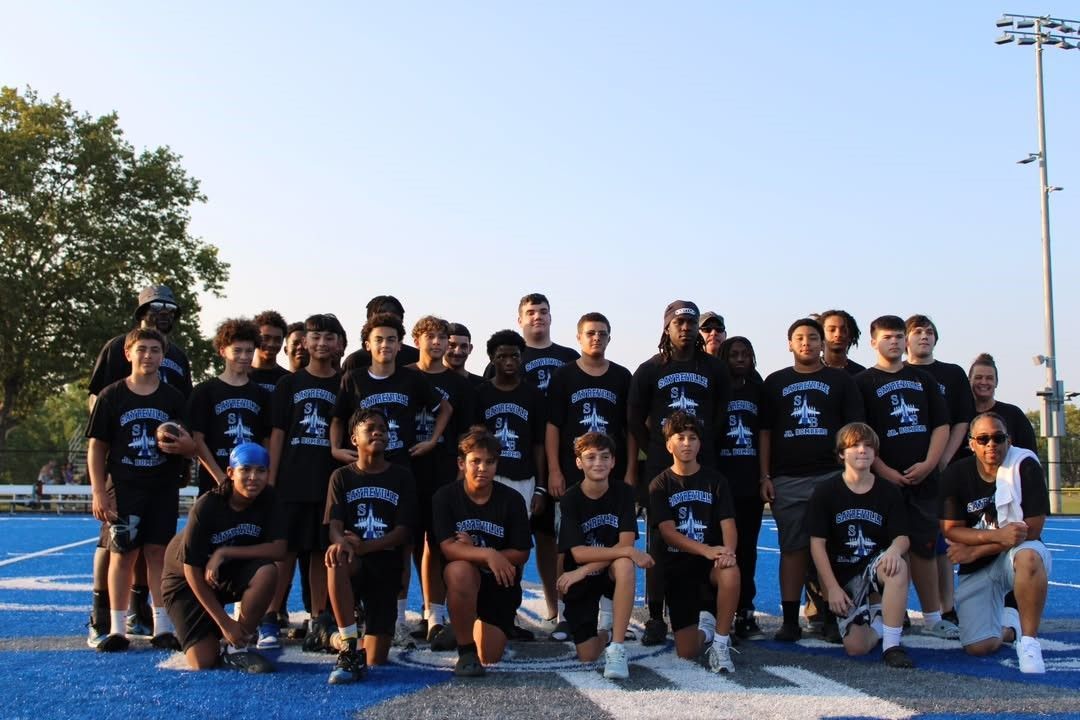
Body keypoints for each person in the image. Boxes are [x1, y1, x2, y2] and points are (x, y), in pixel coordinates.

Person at [331, 312, 450, 646]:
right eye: (379, 339)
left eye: (392, 339)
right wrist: (336, 448)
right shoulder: (353, 378)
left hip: (400, 470)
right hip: (362, 472)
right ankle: (354, 619)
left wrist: (431, 439)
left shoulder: (410, 379)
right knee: (359, 540)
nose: (385, 345)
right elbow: (339, 418)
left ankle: (396, 619)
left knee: (401, 545)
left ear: (401, 345)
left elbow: (445, 408)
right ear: (367, 344)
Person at [86, 285, 193, 642]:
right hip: (125, 472)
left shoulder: (176, 359)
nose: (163, 311)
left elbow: (185, 420)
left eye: (170, 306)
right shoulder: (117, 359)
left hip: (161, 477)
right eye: (155, 305)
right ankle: (106, 620)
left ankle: (153, 620)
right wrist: (100, 485)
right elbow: (97, 428)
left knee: (156, 549)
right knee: (116, 547)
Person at [629, 300, 731, 646]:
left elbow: (722, 411)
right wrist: (657, 446)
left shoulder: (713, 369)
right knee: (659, 538)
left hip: (704, 461)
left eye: (690, 322)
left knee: (705, 529)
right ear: (667, 328)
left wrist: (703, 441)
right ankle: (656, 616)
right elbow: (634, 416)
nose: (685, 328)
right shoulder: (650, 369)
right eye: (678, 323)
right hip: (662, 463)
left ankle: (705, 606)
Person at [759, 318, 864, 642]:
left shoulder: (841, 381)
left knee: (833, 548)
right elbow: (765, 432)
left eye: (813, 337)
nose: (806, 343)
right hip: (788, 477)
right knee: (793, 550)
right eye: (800, 338)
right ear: (790, 344)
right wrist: (765, 474)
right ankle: (790, 618)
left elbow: (854, 430)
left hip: (831, 476)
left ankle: (833, 616)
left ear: (822, 344)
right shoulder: (775, 382)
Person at [855, 315, 957, 639]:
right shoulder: (863, 382)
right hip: (882, 480)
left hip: (923, 478)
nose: (895, 343)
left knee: (924, 548)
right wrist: (883, 470)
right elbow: (861, 434)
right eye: (888, 337)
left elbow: (941, 424)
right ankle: (884, 612)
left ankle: (932, 615)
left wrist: (930, 463)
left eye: (899, 337)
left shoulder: (923, 379)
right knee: (881, 548)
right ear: (874, 342)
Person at [940, 412, 1052, 673]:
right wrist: (997, 536)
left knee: (1030, 557)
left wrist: (980, 547)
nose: (991, 444)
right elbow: (951, 530)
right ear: (972, 444)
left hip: (1015, 553)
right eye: (983, 438)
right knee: (978, 647)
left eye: (998, 437)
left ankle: (1029, 642)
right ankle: (1010, 627)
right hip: (980, 564)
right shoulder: (956, 474)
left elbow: (1033, 529)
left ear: (1008, 441)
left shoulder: (1024, 465)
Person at [161, 442, 285, 673]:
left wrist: (224, 552)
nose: (253, 477)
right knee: (203, 661)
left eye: (260, 471)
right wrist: (224, 622)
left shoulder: (269, 499)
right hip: (186, 582)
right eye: (245, 469)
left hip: (227, 569)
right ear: (230, 473)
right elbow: (190, 569)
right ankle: (211, 630)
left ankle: (237, 647)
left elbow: (279, 550)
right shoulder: (207, 505)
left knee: (267, 571)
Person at [264, 313, 345, 649]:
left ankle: (318, 617)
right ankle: (269, 616)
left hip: (327, 480)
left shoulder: (344, 383)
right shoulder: (289, 384)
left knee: (319, 552)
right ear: (304, 341)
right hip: (292, 478)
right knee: (284, 550)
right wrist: (271, 478)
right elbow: (278, 433)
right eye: (316, 337)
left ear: (338, 343)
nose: (322, 344)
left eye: (329, 337)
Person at [807, 422, 915, 668]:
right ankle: (878, 622)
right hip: (843, 576)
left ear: (875, 453)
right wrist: (831, 588)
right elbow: (817, 545)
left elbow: (903, 536)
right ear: (841, 453)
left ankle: (892, 646)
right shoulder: (826, 492)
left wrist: (894, 551)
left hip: (874, 567)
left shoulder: (888, 491)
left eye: (868, 446)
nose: (862, 450)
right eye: (854, 445)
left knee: (896, 565)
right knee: (856, 647)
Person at [324, 409, 417, 682]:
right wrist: (344, 544)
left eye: (382, 428)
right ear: (353, 438)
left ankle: (329, 636)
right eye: (370, 428)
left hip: (385, 563)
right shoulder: (341, 477)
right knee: (336, 555)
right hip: (354, 560)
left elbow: (403, 532)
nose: (378, 432)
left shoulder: (402, 477)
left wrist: (365, 546)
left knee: (376, 658)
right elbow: (334, 527)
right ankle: (349, 646)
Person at [433, 427, 532, 677]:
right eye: (475, 461)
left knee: (490, 655)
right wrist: (489, 554)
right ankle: (466, 651)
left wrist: (475, 550)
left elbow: (521, 552)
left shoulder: (512, 499)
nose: (482, 468)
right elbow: (448, 548)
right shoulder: (444, 497)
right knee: (459, 571)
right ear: (461, 463)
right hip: (469, 577)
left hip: (501, 581)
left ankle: (461, 623)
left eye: (489, 462)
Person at [649, 412, 740, 672]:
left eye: (692, 438)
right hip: (678, 567)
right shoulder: (660, 484)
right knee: (687, 651)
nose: (687, 443)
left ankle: (721, 644)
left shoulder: (716, 481)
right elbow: (668, 532)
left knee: (730, 570)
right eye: (680, 438)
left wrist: (728, 552)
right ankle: (708, 628)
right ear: (669, 445)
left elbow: (728, 524)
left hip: (710, 565)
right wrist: (707, 550)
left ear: (700, 444)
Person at [557, 432, 652, 679]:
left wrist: (584, 569)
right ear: (579, 462)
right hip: (582, 576)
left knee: (624, 565)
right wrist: (583, 569)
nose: (598, 462)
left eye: (604, 457)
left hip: (604, 571)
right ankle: (605, 634)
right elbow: (578, 553)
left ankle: (618, 647)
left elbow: (625, 544)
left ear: (613, 462)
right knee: (587, 654)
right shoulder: (570, 498)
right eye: (590, 457)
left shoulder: (623, 493)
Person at [905, 314, 976, 627]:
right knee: (903, 541)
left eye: (929, 332)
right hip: (903, 471)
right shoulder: (893, 374)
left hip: (944, 472)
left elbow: (960, 420)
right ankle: (899, 609)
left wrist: (942, 459)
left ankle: (946, 607)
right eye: (917, 331)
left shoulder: (951, 374)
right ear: (905, 339)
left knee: (941, 543)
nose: (924, 336)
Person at [475, 329, 547, 639]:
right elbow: (473, 443)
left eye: (514, 356)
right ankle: (483, 617)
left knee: (516, 549)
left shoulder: (532, 395)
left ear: (522, 359)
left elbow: (539, 444)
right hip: (489, 478)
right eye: (502, 355)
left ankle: (508, 616)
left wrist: (541, 487)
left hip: (522, 479)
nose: (508, 361)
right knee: (486, 545)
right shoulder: (480, 393)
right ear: (491, 358)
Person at [407, 316, 472, 645]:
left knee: (439, 542)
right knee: (404, 542)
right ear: (416, 339)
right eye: (430, 336)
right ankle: (397, 615)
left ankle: (435, 614)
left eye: (441, 337)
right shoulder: (401, 375)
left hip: (443, 470)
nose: (437, 343)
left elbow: (468, 432)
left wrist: (461, 472)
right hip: (404, 470)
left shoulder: (459, 384)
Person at [188, 318, 272, 496]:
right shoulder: (204, 391)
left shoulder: (262, 394)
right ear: (223, 351)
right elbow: (197, 440)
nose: (244, 356)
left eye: (249, 351)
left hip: (251, 485)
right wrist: (220, 477)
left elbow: (266, 439)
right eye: (237, 350)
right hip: (214, 482)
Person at [716, 336, 765, 639]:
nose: (739, 358)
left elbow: (765, 434)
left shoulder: (758, 389)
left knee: (746, 549)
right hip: (719, 480)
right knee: (717, 548)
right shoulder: (713, 388)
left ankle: (745, 610)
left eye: (745, 353)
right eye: (733, 354)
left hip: (748, 481)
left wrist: (764, 476)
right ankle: (713, 610)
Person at [966, 353, 1038, 453]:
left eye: (989, 378)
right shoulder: (960, 416)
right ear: (969, 380)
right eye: (978, 377)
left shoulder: (1014, 414)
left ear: (996, 382)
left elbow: (1029, 454)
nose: (984, 382)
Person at [341, 295, 421, 371]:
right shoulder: (355, 361)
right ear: (369, 320)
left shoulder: (417, 357)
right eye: (381, 312)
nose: (388, 316)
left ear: (402, 320)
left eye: (394, 313)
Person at [249, 310, 290, 394]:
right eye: (265, 338)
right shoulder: (241, 375)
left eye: (277, 339)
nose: (271, 344)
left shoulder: (289, 379)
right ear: (254, 338)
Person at [819, 310, 866, 375]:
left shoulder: (861, 373)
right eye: (832, 330)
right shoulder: (809, 370)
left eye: (844, 330)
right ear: (821, 335)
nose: (838, 334)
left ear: (850, 335)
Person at [444, 323, 486, 388]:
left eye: (463, 346)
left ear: (470, 348)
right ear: (442, 346)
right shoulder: (427, 381)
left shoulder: (482, 385)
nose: (457, 352)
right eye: (452, 345)